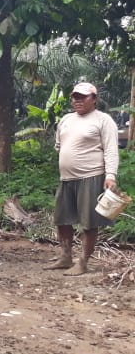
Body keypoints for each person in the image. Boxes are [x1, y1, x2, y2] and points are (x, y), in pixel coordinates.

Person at [46, 81, 120, 275]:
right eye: (75, 97)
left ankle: (83, 261)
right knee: (62, 219)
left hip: (91, 176)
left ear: (94, 99)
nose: (77, 100)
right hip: (66, 178)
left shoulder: (103, 120)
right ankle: (65, 256)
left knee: (89, 222)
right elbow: (59, 145)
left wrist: (110, 175)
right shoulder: (66, 119)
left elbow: (111, 150)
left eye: (83, 97)